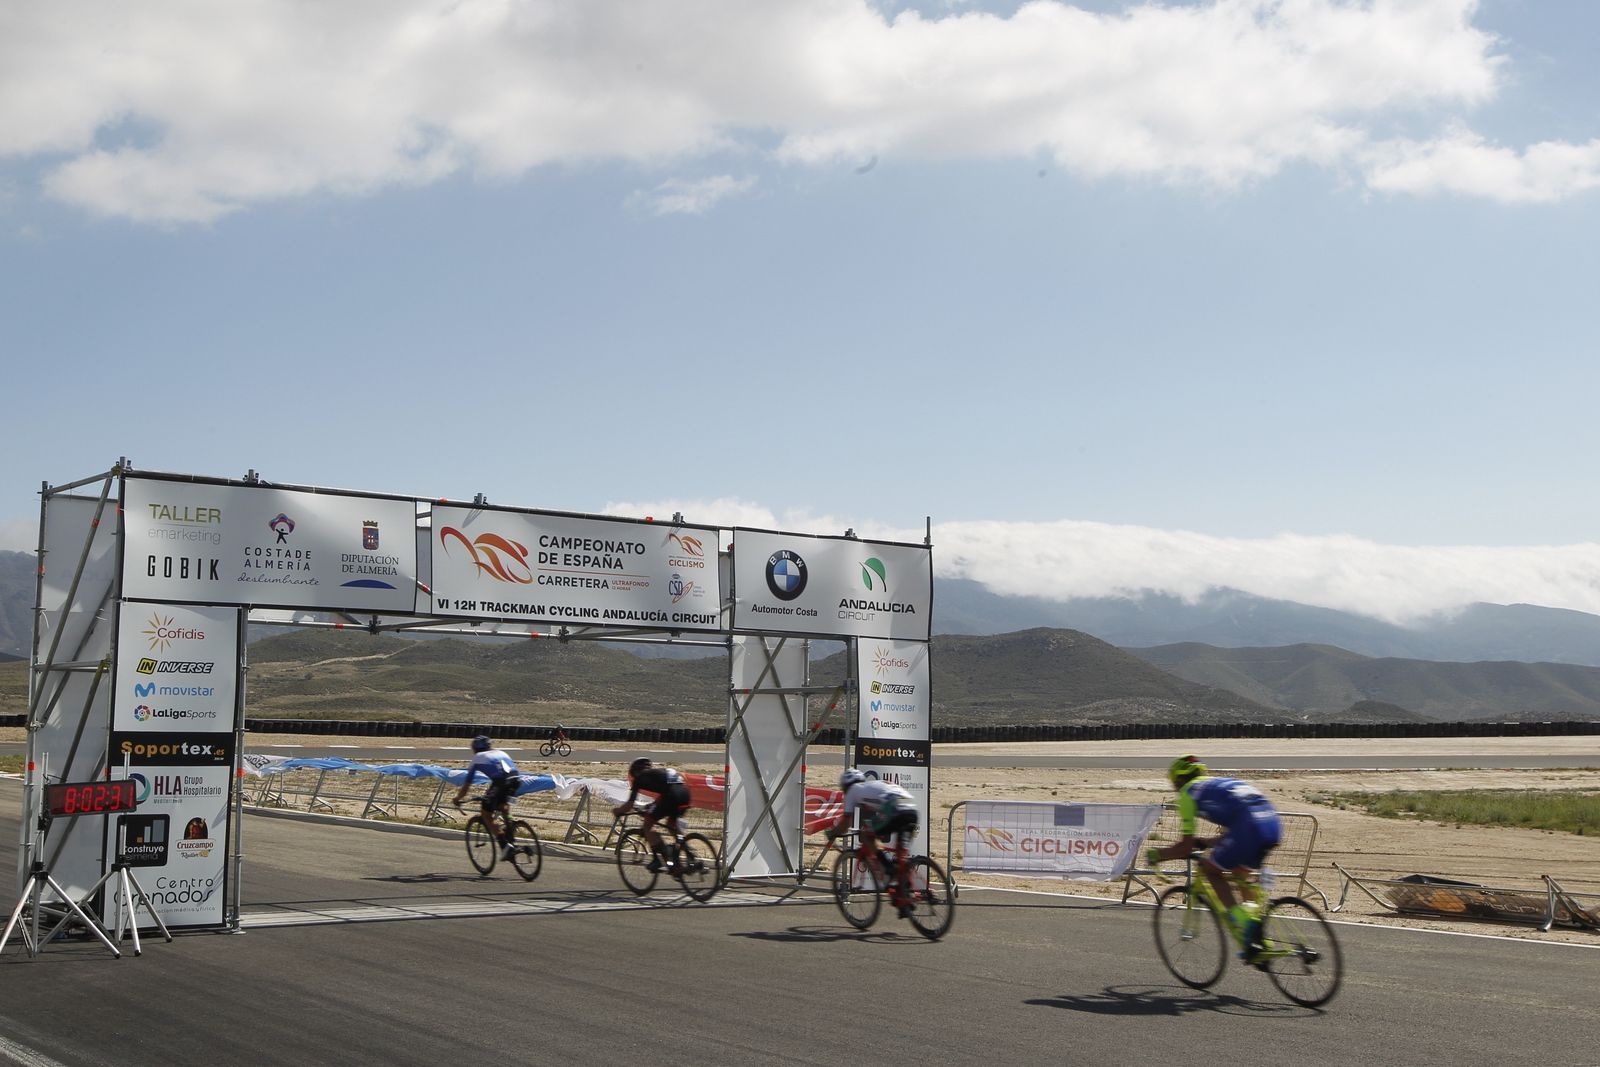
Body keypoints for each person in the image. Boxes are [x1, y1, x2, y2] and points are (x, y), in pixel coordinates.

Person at [1147, 755, 1282, 960]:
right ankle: (1257, 940)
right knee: (1239, 872)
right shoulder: (1219, 784)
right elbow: (1232, 831)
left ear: (1179, 780)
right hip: (1271, 823)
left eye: (1174, 783)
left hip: (1248, 828)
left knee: (1211, 870)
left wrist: (1158, 855)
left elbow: (1184, 848)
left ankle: (1243, 924)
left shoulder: (1187, 794)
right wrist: (1207, 842)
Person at [823, 768, 920, 913]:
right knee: (901, 856)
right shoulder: (873, 785)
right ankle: (904, 894)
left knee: (866, 834)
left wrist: (833, 833)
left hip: (894, 809)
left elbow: (845, 824)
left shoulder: (853, 791)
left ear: (845, 786)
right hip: (911, 810)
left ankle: (888, 869)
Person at [611, 757, 692, 871]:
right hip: (685, 794)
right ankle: (690, 855)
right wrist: (653, 805)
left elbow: (629, 806)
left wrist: (617, 811)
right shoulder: (658, 772)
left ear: (634, 771)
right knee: (671, 824)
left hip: (671, 796)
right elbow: (666, 791)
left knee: (647, 826)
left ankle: (658, 860)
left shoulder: (639, 779)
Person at [452, 735, 525, 860]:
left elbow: (466, 786)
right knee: (502, 805)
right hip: (516, 780)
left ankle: (505, 846)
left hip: (500, 782)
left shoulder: (477, 758)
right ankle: (510, 825)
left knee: (486, 814)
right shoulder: (501, 752)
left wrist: (457, 798)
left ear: (475, 749)